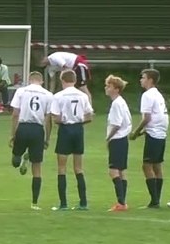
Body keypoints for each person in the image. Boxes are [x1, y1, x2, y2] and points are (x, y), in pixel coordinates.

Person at [49, 69, 95, 211]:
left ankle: (63, 204)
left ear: (62, 80)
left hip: (65, 130)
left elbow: (56, 118)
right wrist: (79, 120)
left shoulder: (58, 96)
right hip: (78, 130)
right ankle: (83, 202)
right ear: (75, 81)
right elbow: (89, 116)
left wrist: (63, 120)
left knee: (62, 168)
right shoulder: (83, 95)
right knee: (78, 168)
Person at [10, 72, 53, 210]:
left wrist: (13, 134)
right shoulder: (47, 94)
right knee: (37, 168)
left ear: (29, 80)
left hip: (23, 127)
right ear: (41, 82)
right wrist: (47, 138)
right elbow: (48, 118)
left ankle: (22, 158)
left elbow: (15, 114)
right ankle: (34, 203)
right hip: (37, 130)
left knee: (15, 161)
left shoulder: (21, 91)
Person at [129, 68, 168, 209]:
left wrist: (135, 132)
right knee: (157, 165)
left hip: (154, 134)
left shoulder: (147, 95)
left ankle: (154, 200)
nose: (141, 80)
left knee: (147, 166)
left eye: (143, 77)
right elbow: (159, 117)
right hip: (161, 133)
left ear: (150, 80)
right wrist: (142, 132)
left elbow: (147, 118)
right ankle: (156, 199)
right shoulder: (158, 95)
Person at [104, 75, 132, 212]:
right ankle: (123, 202)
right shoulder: (121, 102)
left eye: (108, 86)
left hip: (117, 139)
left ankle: (121, 202)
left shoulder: (116, 104)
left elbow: (116, 124)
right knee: (121, 171)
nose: (106, 88)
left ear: (116, 89)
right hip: (123, 139)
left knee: (113, 171)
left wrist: (108, 138)